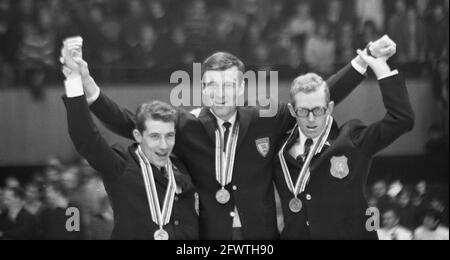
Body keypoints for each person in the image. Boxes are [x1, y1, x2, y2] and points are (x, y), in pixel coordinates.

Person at [61, 36, 394, 239]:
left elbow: (320, 95)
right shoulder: (185, 123)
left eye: (229, 86)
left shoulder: (268, 118)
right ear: (203, 88)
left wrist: (363, 60)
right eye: (213, 86)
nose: (221, 94)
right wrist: (90, 89)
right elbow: (129, 121)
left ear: (242, 88)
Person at [274, 48, 414, 239]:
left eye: (318, 110)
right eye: (303, 111)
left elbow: (402, 120)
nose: (312, 119)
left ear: (330, 108)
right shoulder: (279, 150)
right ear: (292, 110)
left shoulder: (352, 140)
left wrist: (382, 69)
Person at [62, 62, 199, 240]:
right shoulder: (121, 164)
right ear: (138, 135)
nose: (164, 145)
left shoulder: (184, 167)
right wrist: (75, 83)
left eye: (169, 136)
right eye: (155, 136)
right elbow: (86, 138)